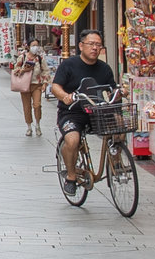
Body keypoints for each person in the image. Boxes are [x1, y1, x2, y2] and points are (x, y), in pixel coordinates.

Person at [49, 30, 120, 182]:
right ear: (81, 46)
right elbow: (55, 87)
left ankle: (117, 161)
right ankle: (71, 175)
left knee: (120, 126)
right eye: (91, 44)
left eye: (98, 45)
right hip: (72, 113)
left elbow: (111, 89)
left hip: (98, 112)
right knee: (73, 140)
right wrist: (65, 96)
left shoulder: (105, 68)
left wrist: (119, 92)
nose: (95, 48)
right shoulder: (69, 64)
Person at [9, 44, 48, 136]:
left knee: (37, 105)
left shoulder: (40, 58)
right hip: (24, 85)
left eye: (37, 45)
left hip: (36, 85)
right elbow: (16, 69)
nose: (35, 47)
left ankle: (38, 125)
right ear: (28, 47)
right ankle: (29, 126)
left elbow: (45, 70)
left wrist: (45, 82)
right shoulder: (22, 57)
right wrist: (24, 70)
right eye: (33, 45)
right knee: (27, 107)